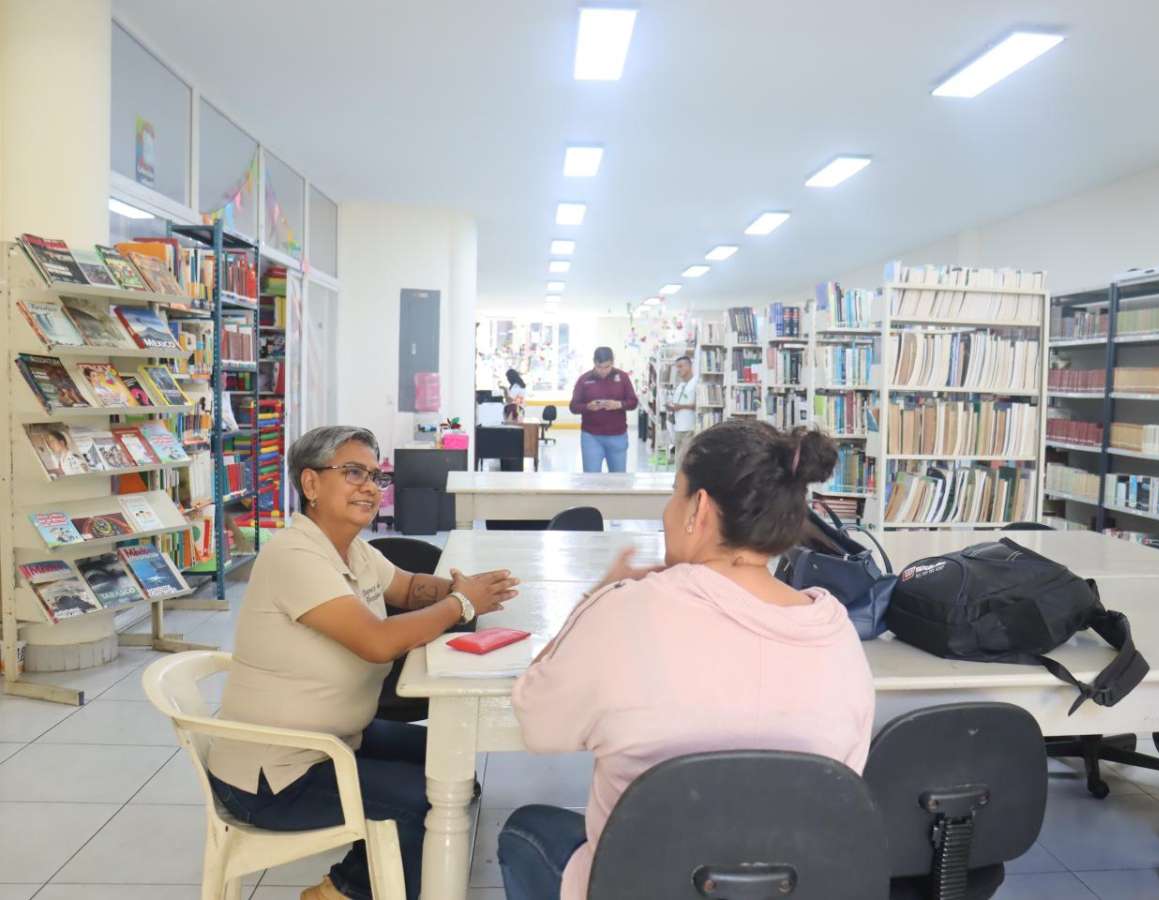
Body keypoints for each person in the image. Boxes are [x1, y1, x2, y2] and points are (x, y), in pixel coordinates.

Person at [496, 421, 874, 900]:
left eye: (675, 494)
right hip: (789, 887)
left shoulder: (626, 609)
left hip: (642, 886)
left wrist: (600, 595)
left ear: (699, 509)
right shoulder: (836, 631)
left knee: (525, 831)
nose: (666, 512)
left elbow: (539, 725)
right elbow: (842, 781)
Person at [206, 425, 520, 900]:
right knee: (429, 802)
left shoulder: (351, 549)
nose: (371, 487)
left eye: (376, 476)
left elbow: (410, 588)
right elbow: (376, 642)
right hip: (277, 772)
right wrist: (461, 605)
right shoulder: (294, 555)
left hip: (336, 739)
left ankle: (365, 876)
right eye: (354, 473)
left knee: (452, 769)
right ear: (310, 485)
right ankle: (343, 890)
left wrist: (465, 586)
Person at [569, 346, 638, 473]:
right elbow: (573, 406)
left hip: (618, 436)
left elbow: (633, 402)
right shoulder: (584, 380)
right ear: (594, 362)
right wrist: (587, 407)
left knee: (618, 479)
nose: (603, 371)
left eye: (607, 367)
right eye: (599, 367)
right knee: (591, 478)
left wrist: (619, 405)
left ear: (612, 363)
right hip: (591, 436)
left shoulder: (622, 377)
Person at [666, 355, 697, 468]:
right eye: (677, 367)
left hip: (690, 428)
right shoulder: (681, 385)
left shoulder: (696, 383)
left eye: (681, 366)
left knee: (687, 461)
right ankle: (678, 483)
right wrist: (671, 406)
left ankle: (684, 484)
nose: (678, 370)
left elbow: (698, 405)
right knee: (679, 460)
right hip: (678, 427)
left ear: (689, 366)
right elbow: (676, 404)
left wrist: (682, 407)